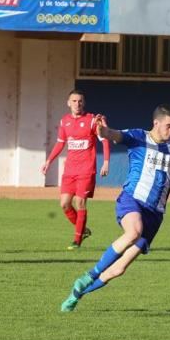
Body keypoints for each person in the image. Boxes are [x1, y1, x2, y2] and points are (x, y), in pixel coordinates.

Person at [60, 104, 170, 312]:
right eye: (169, 126)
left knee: (119, 269)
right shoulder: (138, 136)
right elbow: (113, 134)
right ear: (157, 123)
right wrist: (102, 130)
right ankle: (90, 274)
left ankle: (77, 293)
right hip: (132, 200)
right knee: (133, 231)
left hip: (156, 213)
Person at [41, 89, 110, 250]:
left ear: (83, 103)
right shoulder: (64, 121)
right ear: (68, 103)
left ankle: (76, 241)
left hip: (86, 169)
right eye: (74, 101)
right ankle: (83, 230)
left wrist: (106, 162)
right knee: (64, 204)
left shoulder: (92, 120)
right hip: (70, 170)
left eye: (80, 101)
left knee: (80, 202)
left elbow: (105, 140)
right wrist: (48, 161)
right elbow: (60, 143)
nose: (77, 104)